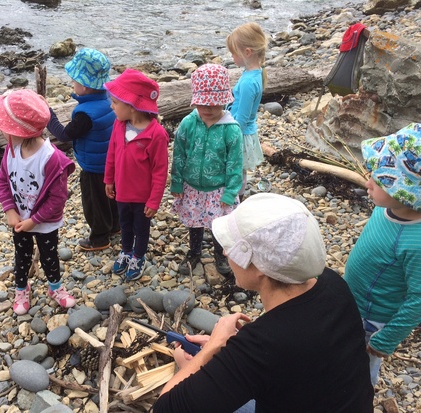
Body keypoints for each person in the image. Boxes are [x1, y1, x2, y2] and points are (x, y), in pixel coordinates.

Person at [154, 193, 374, 413]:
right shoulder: (332, 283)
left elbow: (165, 409)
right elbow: (294, 352)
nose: (225, 251)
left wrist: (210, 350)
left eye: (231, 246)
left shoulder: (262, 345)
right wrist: (231, 353)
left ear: (260, 267)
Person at [344, 122, 421, 387]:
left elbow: (417, 299)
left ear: (406, 194)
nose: (367, 183)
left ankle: (357, 396)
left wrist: (385, 340)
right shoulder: (386, 207)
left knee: (359, 367)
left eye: (379, 181)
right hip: (351, 299)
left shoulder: (416, 242)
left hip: (371, 319)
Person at [0, 89, 77, 314]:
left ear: (17, 130)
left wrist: (34, 220)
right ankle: (21, 288)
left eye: (4, 126)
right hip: (19, 219)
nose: (0, 130)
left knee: (49, 255)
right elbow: (2, 180)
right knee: (22, 256)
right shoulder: (11, 150)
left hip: (45, 221)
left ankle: (55, 287)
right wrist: (9, 210)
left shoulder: (51, 159)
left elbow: (58, 198)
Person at [170, 63, 243, 277]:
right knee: (194, 221)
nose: (208, 109)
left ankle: (220, 254)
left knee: (218, 224)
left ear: (224, 100)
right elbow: (179, 153)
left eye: (214, 104)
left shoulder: (231, 129)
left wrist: (231, 192)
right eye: (203, 103)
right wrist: (176, 181)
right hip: (192, 186)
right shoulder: (188, 123)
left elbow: (235, 164)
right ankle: (194, 251)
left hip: (218, 188)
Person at [47, 48, 119, 252]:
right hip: (110, 162)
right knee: (111, 196)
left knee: (94, 203)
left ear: (85, 86)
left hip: (93, 167)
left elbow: (64, 135)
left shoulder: (85, 115)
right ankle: (115, 226)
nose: (72, 84)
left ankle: (99, 238)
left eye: (74, 81)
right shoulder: (109, 99)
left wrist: (48, 115)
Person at [103, 69, 169, 281]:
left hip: (142, 197)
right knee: (124, 225)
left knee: (140, 228)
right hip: (122, 192)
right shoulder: (119, 124)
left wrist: (154, 200)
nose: (111, 106)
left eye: (115, 102)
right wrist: (109, 179)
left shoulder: (156, 135)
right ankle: (126, 251)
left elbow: (160, 171)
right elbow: (112, 152)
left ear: (131, 106)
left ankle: (138, 256)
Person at [226, 22, 268, 199]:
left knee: (236, 169)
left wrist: (229, 136)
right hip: (244, 130)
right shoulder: (254, 73)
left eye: (233, 53)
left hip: (240, 133)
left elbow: (242, 118)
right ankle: (238, 196)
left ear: (247, 52)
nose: (232, 57)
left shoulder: (249, 82)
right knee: (239, 169)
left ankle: (236, 198)